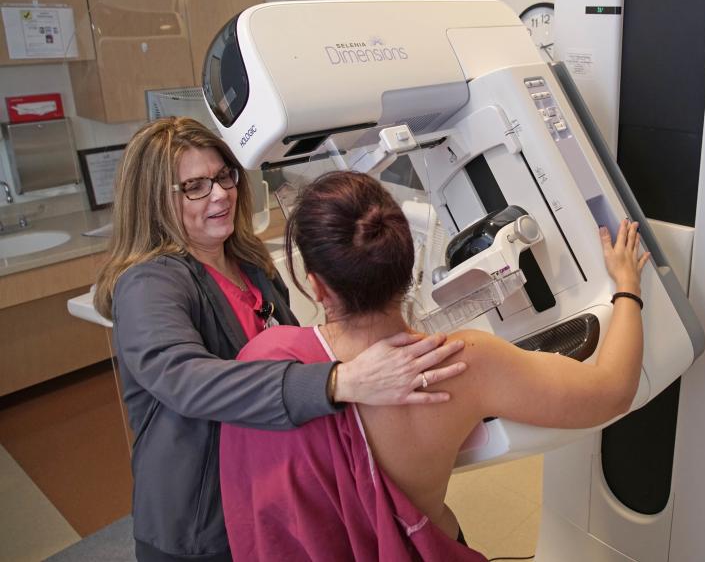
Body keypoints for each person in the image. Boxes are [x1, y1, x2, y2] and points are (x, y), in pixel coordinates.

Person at [219, 171, 650, 561]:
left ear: (315, 285)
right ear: (408, 265)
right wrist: (627, 286)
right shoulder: (466, 361)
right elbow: (614, 391)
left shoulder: (266, 361)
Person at [93, 118, 467, 562]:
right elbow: (185, 380)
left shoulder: (251, 266)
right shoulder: (149, 284)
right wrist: (338, 382)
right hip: (201, 525)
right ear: (154, 200)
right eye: (194, 186)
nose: (219, 194)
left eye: (223, 176)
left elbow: (288, 351)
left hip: (264, 493)